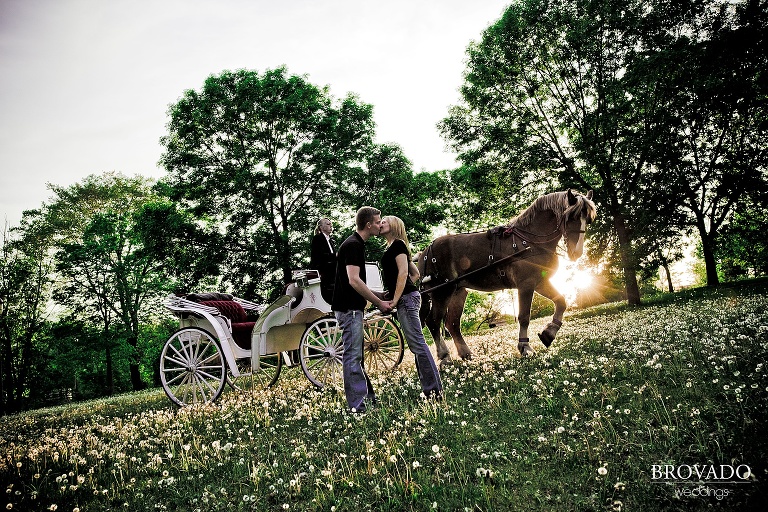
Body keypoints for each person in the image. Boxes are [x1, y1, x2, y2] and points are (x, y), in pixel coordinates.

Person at [332, 206, 393, 413]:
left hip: (352, 308)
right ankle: (358, 406)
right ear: (368, 224)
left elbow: (355, 281)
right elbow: (353, 280)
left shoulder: (355, 244)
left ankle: (367, 400)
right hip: (349, 309)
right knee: (352, 356)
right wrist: (379, 303)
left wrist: (379, 294)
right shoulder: (353, 245)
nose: (380, 225)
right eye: (378, 222)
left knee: (356, 356)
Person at [380, 215, 443, 400]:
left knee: (418, 345)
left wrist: (396, 297)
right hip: (407, 297)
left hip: (406, 300)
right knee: (417, 346)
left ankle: (434, 391)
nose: (381, 223)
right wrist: (395, 290)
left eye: (385, 221)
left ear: (394, 225)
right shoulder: (394, 246)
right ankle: (430, 389)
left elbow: (404, 272)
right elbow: (415, 273)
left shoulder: (398, 244)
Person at [310, 218, 336, 304]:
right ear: (321, 227)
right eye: (328, 224)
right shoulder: (317, 238)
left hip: (332, 273)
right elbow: (319, 256)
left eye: (331, 224)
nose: (331, 226)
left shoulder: (330, 240)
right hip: (323, 273)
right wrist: (335, 256)